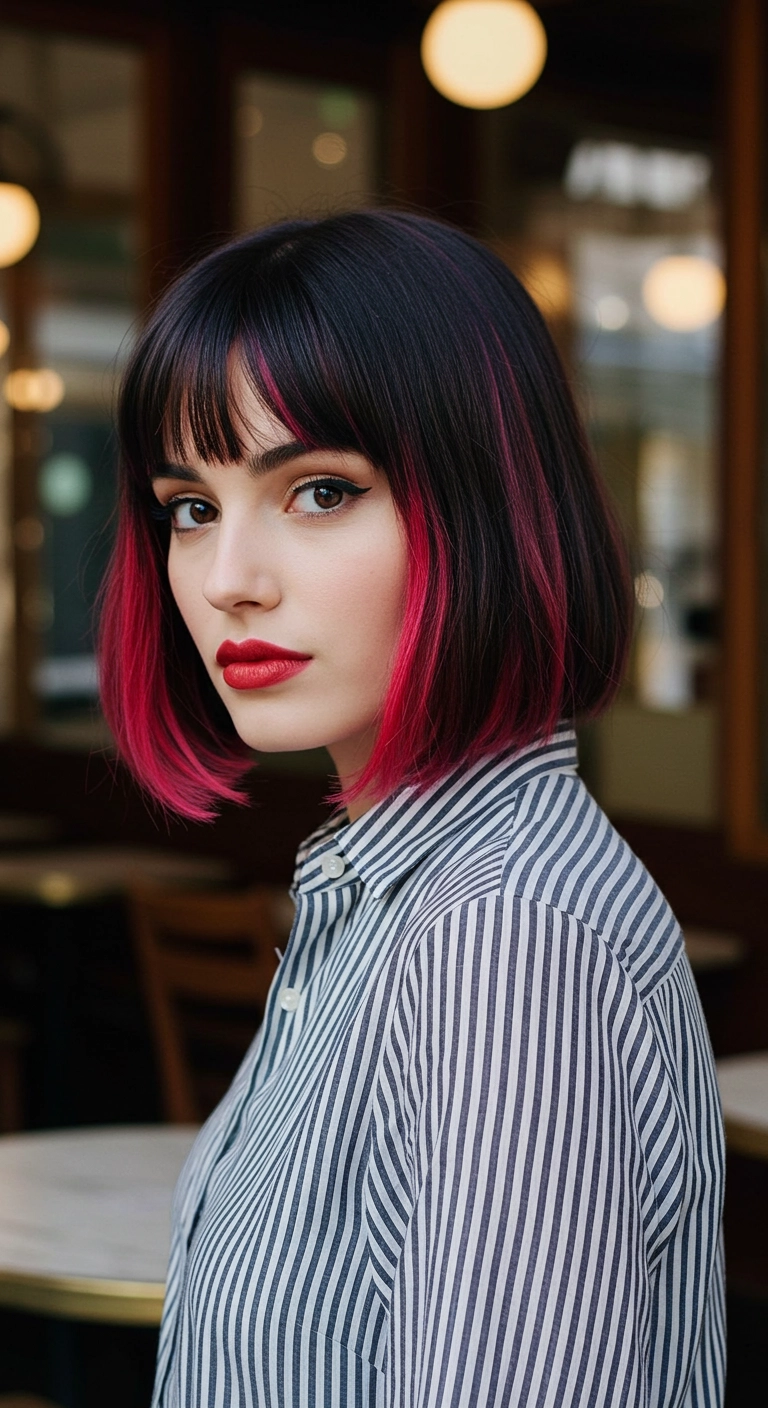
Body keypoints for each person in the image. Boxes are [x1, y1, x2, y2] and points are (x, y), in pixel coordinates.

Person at [99, 211, 724, 1408]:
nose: (230, 576)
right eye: (190, 506)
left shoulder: (500, 941)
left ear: (485, 504)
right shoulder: (390, 892)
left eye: (319, 490)